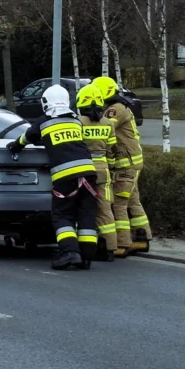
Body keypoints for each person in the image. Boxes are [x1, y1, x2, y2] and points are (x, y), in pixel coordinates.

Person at [6, 84, 98, 270]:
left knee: (62, 215)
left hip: (65, 177)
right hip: (89, 173)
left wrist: (15, 146)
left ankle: (70, 253)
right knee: (86, 213)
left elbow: (28, 136)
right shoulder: (76, 121)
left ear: (46, 102)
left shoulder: (44, 122)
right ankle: (86, 256)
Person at [92, 76, 150, 256]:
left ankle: (122, 245)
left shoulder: (114, 110)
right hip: (132, 162)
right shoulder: (119, 106)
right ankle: (141, 239)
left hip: (125, 164)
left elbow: (104, 128)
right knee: (132, 200)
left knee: (118, 203)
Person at [76, 84, 118, 262]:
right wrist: (112, 167)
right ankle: (110, 247)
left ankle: (83, 246)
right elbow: (112, 151)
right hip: (103, 172)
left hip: (82, 171)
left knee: (81, 208)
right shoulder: (108, 124)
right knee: (105, 209)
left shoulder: (77, 122)